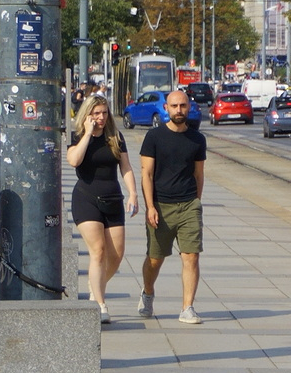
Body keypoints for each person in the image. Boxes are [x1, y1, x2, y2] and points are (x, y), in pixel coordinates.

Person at [66, 95, 138, 324]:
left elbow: (126, 167)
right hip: (86, 199)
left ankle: (94, 285)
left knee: (116, 255)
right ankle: (100, 303)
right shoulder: (76, 135)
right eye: (96, 113)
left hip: (113, 199)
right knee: (98, 251)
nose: (101, 117)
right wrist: (87, 133)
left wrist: (133, 194)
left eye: (104, 113)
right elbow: (74, 161)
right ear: (87, 113)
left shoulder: (115, 137)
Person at [138, 87, 207, 325]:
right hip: (160, 205)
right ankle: (147, 292)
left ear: (189, 107)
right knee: (155, 259)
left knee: (191, 257)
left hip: (188, 205)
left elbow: (199, 175)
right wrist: (150, 206)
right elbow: (146, 174)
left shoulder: (197, 139)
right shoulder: (154, 137)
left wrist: (195, 202)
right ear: (166, 108)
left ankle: (187, 307)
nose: (179, 110)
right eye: (175, 106)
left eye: (183, 106)